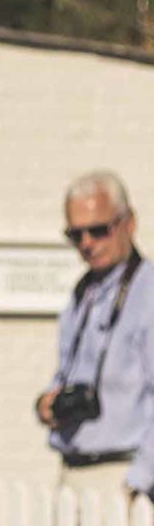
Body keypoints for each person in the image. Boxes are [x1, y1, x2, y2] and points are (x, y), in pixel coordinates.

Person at [37, 171, 154, 496]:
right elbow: (66, 373)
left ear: (129, 224)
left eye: (98, 230)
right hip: (73, 468)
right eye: (76, 234)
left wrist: (139, 481)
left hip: (123, 474)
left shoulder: (147, 292)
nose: (87, 243)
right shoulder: (83, 293)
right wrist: (48, 403)